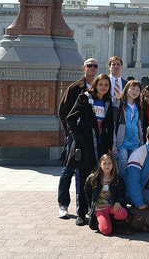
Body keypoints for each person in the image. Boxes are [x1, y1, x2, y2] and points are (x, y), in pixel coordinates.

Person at [65, 74, 116, 226]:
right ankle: (81, 213)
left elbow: (110, 125)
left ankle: (93, 210)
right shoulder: (84, 98)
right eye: (101, 84)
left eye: (106, 85)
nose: (103, 87)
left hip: (100, 146)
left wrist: (109, 144)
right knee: (83, 180)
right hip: (85, 146)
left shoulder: (107, 102)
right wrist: (79, 137)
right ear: (95, 84)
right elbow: (70, 119)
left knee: (97, 180)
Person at [57, 57, 99, 219]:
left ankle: (86, 205)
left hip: (90, 137)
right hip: (75, 136)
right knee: (68, 170)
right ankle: (63, 205)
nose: (93, 68)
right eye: (90, 65)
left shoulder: (98, 88)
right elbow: (63, 112)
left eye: (95, 66)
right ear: (84, 68)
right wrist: (70, 132)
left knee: (86, 172)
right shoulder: (75, 88)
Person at [84, 154, 128, 235]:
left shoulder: (117, 179)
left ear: (113, 165)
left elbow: (121, 193)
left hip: (111, 205)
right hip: (100, 208)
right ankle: (99, 221)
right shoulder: (93, 178)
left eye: (109, 163)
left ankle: (111, 219)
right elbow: (87, 192)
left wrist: (118, 202)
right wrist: (91, 206)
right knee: (106, 231)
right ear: (100, 164)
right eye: (104, 163)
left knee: (123, 214)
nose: (107, 166)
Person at [113, 80, 143, 175]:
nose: (135, 92)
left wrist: (141, 142)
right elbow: (113, 124)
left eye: (138, 90)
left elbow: (139, 125)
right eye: (133, 88)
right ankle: (122, 189)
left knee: (133, 169)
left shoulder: (138, 106)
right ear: (126, 89)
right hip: (122, 143)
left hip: (135, 142)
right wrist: (113, 143)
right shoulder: (119, 104)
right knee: (123, 169)